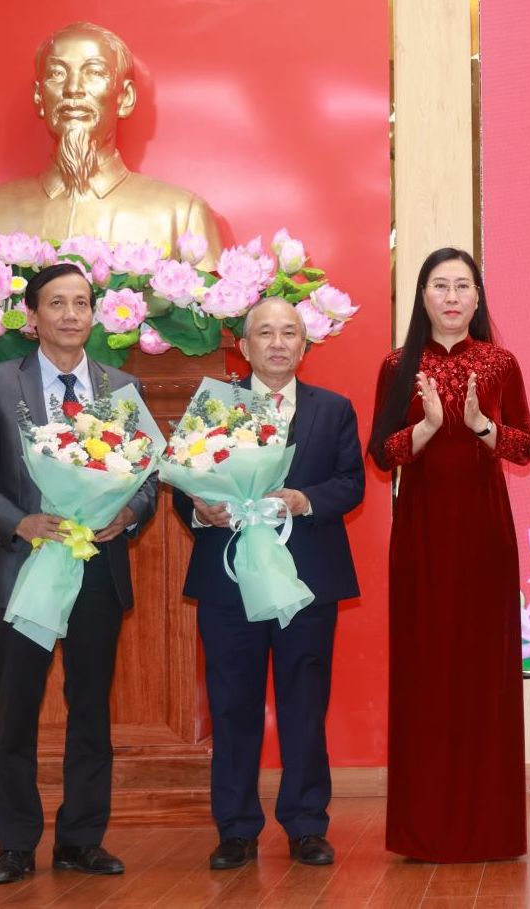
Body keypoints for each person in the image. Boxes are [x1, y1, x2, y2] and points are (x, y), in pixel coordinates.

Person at [0, 262, 159, 884]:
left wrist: (129, 514)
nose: (71, 314)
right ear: (32, 316)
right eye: (57, 303)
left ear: (94, 314)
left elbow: (148, 476)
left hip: (97, 569)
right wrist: (20, 522)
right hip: (25, 568)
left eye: (82, 303)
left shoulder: (122, 386)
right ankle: (15, 844)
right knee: (17, 709)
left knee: (90, 708)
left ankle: (81, 840)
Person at [173, 298, 365, 870]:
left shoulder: (333, 409)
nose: (278, 343)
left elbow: (351, 483)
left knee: (304, 703)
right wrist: (199, 508)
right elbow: (184, 483)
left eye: (289, 333)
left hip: (306, 578)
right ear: (245, 345)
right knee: (233, 704)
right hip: (229, 577)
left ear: (304, 345)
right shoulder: (215, 404)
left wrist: (305, 499)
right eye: (265, 333)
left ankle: (306, 825)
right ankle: (235, 829)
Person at [369, 247, 530, 862]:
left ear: (477, 297)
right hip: (422, 536)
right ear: (422, 296)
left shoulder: (499, 362)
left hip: (486, 536)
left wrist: (481, 426)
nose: (451, 297)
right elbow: (381, 453)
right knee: (427, 668)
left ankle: (490, 829)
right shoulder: (398, 365)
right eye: (440, 286)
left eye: (463, 286)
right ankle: (425, 829)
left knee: (483, 672)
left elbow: (526, 446)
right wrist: (428, 428)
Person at [0, 21, 224, 265]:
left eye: (93, 73)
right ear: (39, 98)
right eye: (57, 73)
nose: (73, 89)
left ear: (125, 98)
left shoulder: (181, 216)